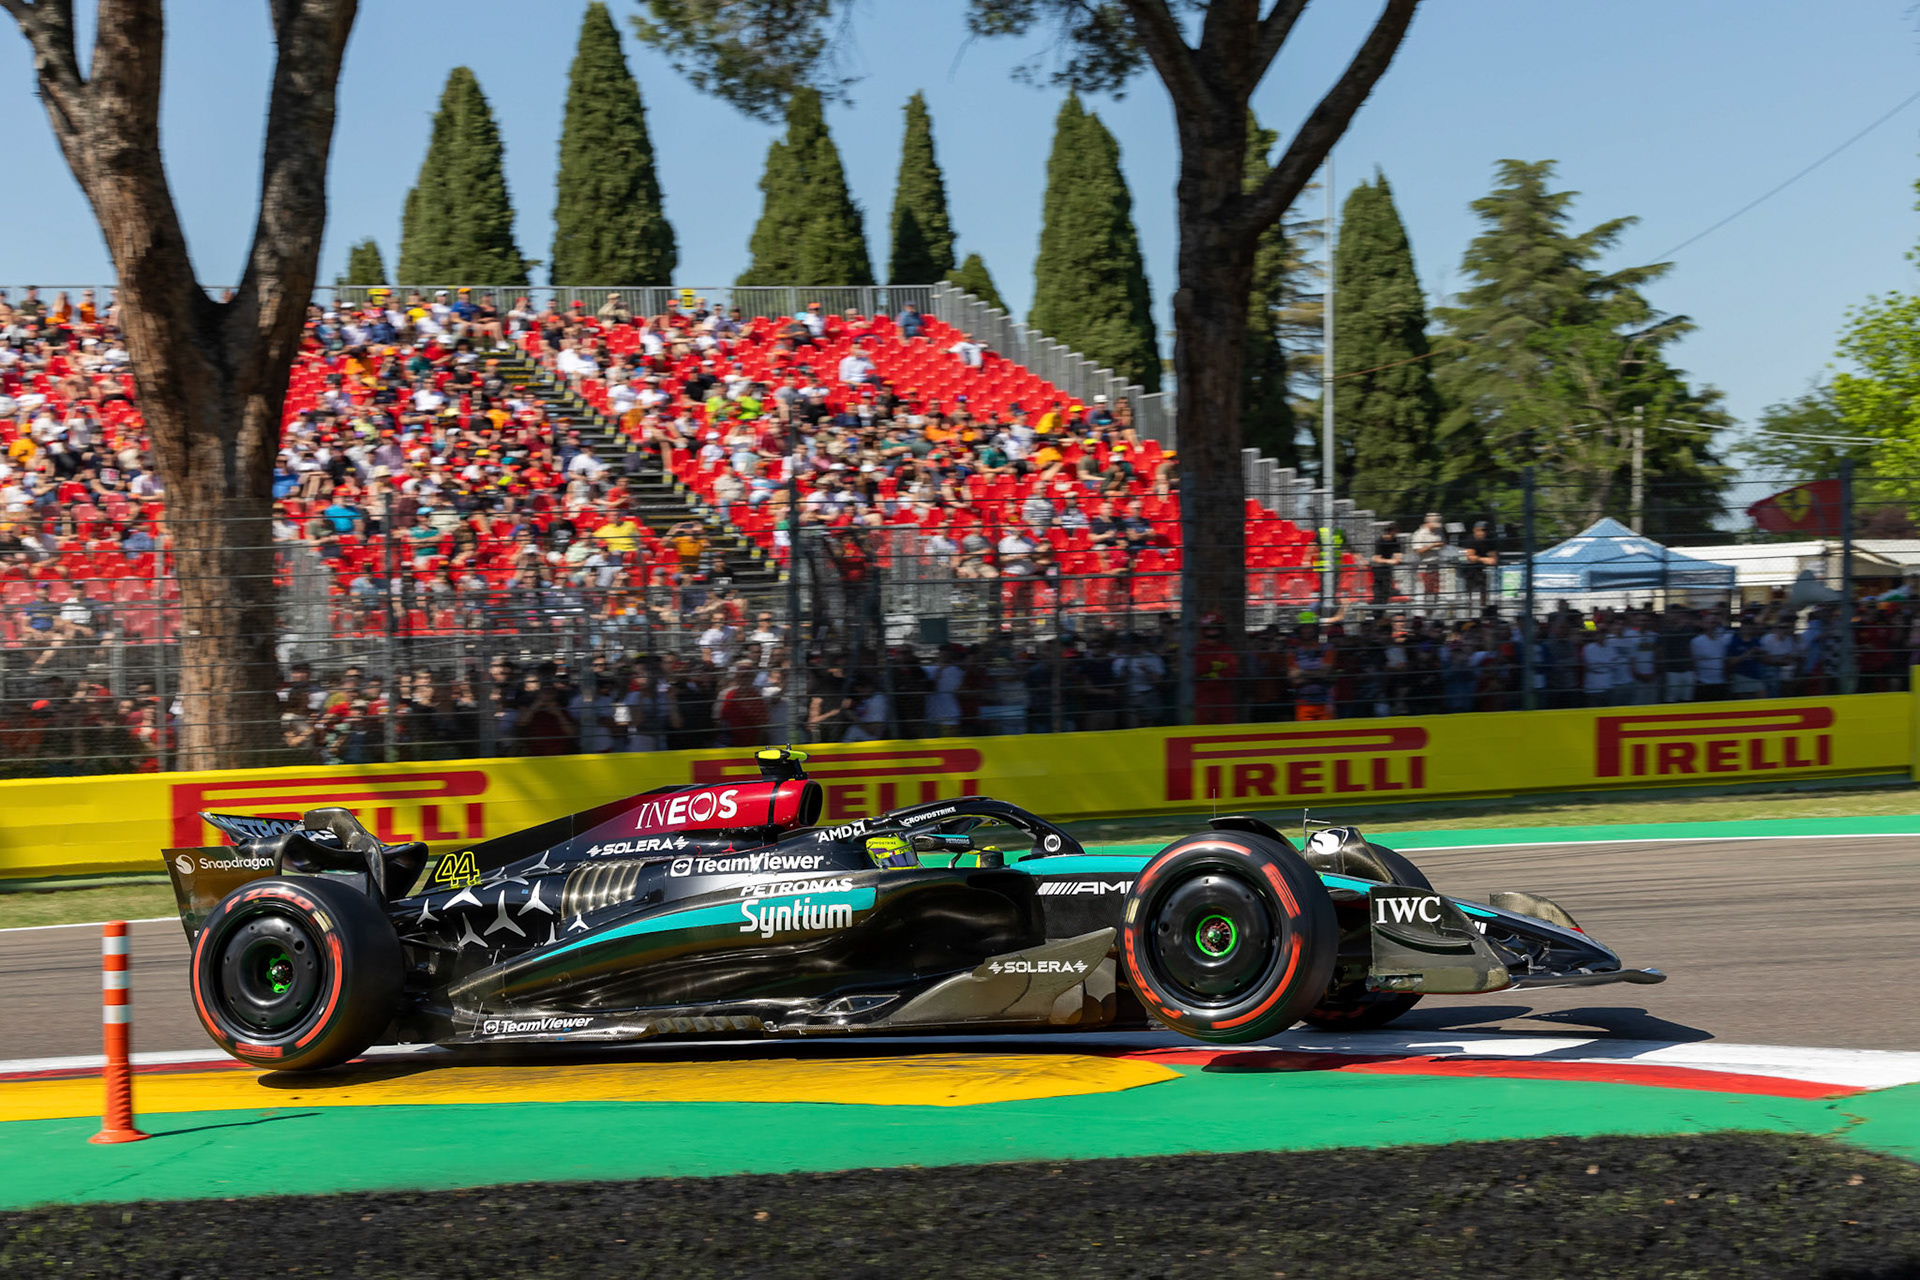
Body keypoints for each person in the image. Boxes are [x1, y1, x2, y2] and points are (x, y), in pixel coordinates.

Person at [1691, 612, 1733, 702]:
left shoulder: (1723, 640)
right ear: (1704, 624)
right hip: (1704, 683)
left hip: (1720, 682)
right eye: (1710, 623)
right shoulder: (1697, 641)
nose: (1713, 626)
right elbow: (1693, 662)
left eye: (1715, 623)